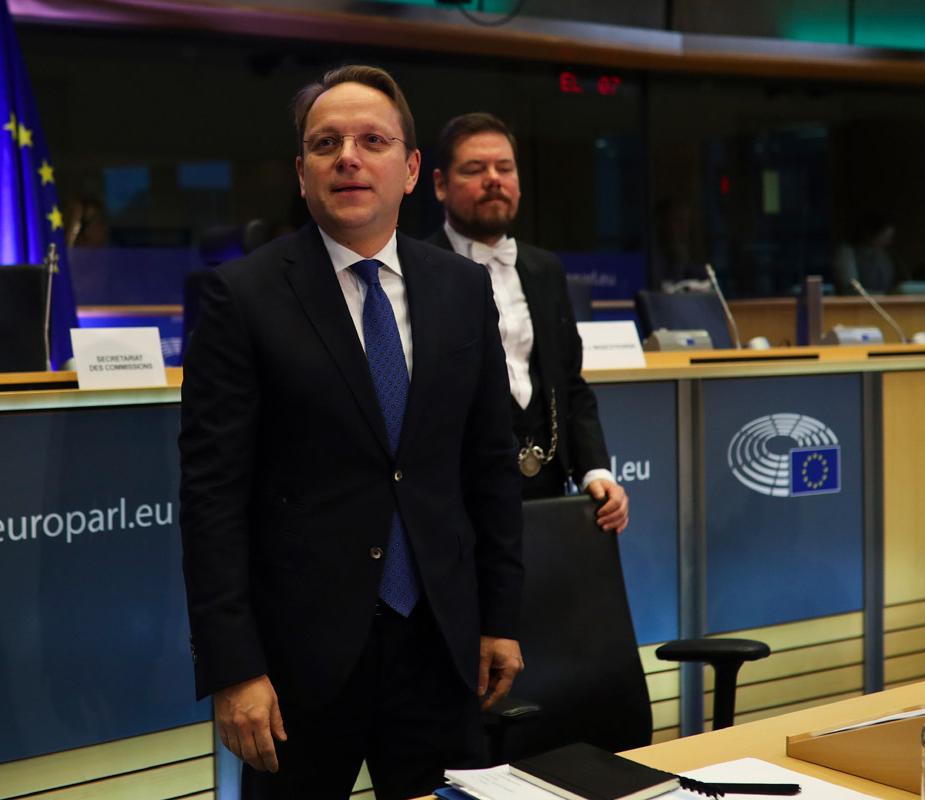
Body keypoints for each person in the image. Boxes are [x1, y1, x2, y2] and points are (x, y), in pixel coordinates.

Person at [179, 68, 525, 799]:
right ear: (302, 172)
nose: (348, 158)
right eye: (325, 143)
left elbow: (489, 467)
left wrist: (500, 618)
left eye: (372, 141)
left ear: (411, 170)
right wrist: (234, 667)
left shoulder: (463, 289)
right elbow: (212, 500)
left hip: (439, 647)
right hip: (297, 665)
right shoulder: (242, 297)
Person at [427, 112, 628, 533]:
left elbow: (571, 385)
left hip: (548, 488)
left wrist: (596, 470)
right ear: (440, 184)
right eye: (474, 169)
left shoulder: (546, 269)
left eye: (505, 168)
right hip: (456, 502)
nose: (493, 180)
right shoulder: (416, 272)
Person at [833, 212, 897, 295]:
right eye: (884, 236)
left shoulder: (883, 256)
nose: (888, 242)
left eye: (889, 237)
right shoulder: (847, 253)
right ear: (869, 234)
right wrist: (885, 296)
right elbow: (850, 288)